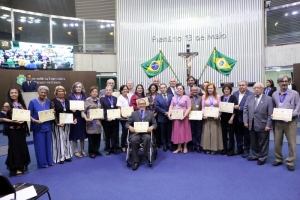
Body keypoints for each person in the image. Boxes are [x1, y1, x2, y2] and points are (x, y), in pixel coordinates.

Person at [272, 75, 300, 171]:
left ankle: (290, 161)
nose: (284, 83)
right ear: (278, 83)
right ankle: (278, 159)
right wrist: (273, 114)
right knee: (277, 142)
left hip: (290, 122)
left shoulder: (294, 93)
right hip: (278, 122)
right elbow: (274, 106)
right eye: (282, 81)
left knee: (291, 143)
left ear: (289, 82)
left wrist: (290, 116)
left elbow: (298, 108)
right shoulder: (274, 94)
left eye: (286, 81)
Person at [0, 87, 30, 176]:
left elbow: (25, 114)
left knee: (22, 147)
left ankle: (22, 165)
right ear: (9, 94)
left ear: (18, 94)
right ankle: (16, 168)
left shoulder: (21, 104)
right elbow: (2, 118)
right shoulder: (7, 104)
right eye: (11, 93)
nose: (13, 94)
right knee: (15, 148)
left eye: (15, 92)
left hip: (22, 129)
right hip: (13, 130)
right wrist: (14, 121)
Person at [243, 82, 273, 165]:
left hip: (263, 124)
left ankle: (262, 157)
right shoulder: (250, 97)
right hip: (251, 123)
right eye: (255, 88)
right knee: (253, 141)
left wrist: (268, 125)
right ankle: (255, 155)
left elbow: (270, 114)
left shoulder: (268, 99)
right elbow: (245, 110)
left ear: (262, 89)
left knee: (263, 142)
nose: (256, 89)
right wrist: (245, 121)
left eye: (258, 88)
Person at [126, 99, 157, 171]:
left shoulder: (150, 113)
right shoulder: (133, 113)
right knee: (133, 140)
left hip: (146, 132)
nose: (142, 105)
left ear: (145, 104)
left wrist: (152, 127)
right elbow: (127, 123)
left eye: (143, 104)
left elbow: (155, 123)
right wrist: (130, 127)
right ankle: (136, 161)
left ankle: (147, 155)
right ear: (137, 105)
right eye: (140, 104)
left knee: (147, 138)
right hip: (135, 133)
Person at [28, 86, 54, 168]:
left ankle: (49, 161)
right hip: (38, 127)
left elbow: (50, 113)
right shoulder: (32, 102)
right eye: (41, 92)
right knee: (40, 146)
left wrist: (53, 113)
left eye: (45, 92)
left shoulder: (49, 101)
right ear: (38, 92)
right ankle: (43, 163)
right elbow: (29, 114)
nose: (43, 94)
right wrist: (35, 120)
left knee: (48, 145)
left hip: (48, 126)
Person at [51, 86, 77, 164]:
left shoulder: (67, 101)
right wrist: (56, 123)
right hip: (58, 124)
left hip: (67, 123)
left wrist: (74, 118)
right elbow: (52, 113)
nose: (61, 92)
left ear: (64, 92)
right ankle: (60, 157)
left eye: (62, 91)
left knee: (66, 139)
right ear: (56, 92)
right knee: (59, 140)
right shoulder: (53, 101)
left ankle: (67, 155)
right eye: (59, 91)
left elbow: (70, 112)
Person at [168, 84, 192, 154]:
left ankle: (185, 147)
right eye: (177, 88)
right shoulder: (173, 98)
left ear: (183, 90)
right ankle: (179, 147)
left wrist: (184, 116)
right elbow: (171, 106)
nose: (179, 90)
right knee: (177, 132)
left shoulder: (186, 97)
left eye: (180, 89)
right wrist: (169, 114)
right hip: (176, 118)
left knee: (185, 131)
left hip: (184, 118)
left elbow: (189, 107)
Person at [233, 80, 253, 158]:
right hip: (236, 118)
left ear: (246, 86)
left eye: (243, 85)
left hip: (246, 119)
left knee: (246, 135)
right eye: (240, 85)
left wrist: (240, 107)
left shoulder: (251, 95)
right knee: (238, 134)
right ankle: (239, 148)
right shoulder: (235, 94)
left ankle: (246, 150)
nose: (241, 87)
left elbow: (250, 107)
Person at [82, 86, 104, 159]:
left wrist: (102, 116)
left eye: (96, 91)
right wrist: (86, 118)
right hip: (90, 122)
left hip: (98, 122)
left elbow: (101, 110)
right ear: (90, 93)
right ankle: (91, 152)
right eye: (93, 91)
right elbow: (83, 111)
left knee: (98, 137)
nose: (94, 93)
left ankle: (96, 150)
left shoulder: (99, 100)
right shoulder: (87, 100)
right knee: (91, 137)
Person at [201, 83, 223, 154]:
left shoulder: (218, 96)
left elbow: (220, 107)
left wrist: (219, 114)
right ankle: (207, 147)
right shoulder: (204, 96)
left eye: (211, 88)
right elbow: (203, 107)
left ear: (214, 89)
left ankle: (213, 148)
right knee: (207, 133)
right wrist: (203, 114)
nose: (210, 89)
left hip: (215, 118)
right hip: (207, 118)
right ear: (206, 89)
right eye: (208, 88)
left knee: (214, 133)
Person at [68, 82, 87, 158]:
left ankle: (82, 149)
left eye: (80, 87)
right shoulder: (71, 96)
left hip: (82, 117)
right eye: (77, 87)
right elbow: (68, 106)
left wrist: (84, 109)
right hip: (74, 117)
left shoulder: (84, 96)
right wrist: (71, 110)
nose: (78, 88)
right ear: (74, 88)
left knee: (82, 134)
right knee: (74, 134)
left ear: (82, 88)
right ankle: (76, 150)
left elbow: (86, 106)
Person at [100, 86, 119, 155]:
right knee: (107, 135)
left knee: (114, 134)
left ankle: (114, 148)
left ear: (112, 91)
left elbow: (117, 108)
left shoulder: (115, 98)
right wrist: (106, 117)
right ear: (105, 91)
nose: (108, 91)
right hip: (106, 120)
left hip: (115, 120)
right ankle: (108, 148)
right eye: (107, 90)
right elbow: (102, 110)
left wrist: (117, 116)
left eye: (110, 90)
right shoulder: (102, 99)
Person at [220, 84, 238, 156]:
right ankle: (224, 149)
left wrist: (232, 118)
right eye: (225, 89)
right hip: (223, 118)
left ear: (230, 90)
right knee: (223, 134)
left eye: (228, 89)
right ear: (223, 90)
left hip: (231, 118)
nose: (226, 90)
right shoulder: (221, 97)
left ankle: (231, 150)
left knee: (231, 135)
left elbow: (235, 109)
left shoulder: (233, 97)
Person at [155, 83, 173, 152]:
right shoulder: (157, 97)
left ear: (166, 88)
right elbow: (157, 106)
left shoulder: (171, 95)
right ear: (160, 89)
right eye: (161, 88)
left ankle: (170, 144)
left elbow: (173, 104)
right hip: (162, 117)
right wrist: (165, 112)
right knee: (163, 132)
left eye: (164, 88)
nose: (163, 89)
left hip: (170, 117)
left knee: (170, 131)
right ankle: (164, 144)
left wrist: (170, 112)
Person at [116, 85, 132, 152]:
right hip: (124, 118)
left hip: (130, 117)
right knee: (125, 132)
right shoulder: (120, 98)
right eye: (123, 89)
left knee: (131, 131)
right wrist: (123, 115)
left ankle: (129, 144)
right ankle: (123, 145)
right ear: (121, 91)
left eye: (126, 89)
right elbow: (119, 108)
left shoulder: (129, 97)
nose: (125, 90)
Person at [189, 85, 202, 153]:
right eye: (193, 90)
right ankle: (193, 145)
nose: (195, 91)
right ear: (191, 91)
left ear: (198, 91)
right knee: (192, 132)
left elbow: (203, 107)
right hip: (191, 118)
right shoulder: (188, 98)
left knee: (198, 132)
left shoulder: (201, 98)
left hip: (199, 118)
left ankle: (198, 145)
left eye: (196, 90)